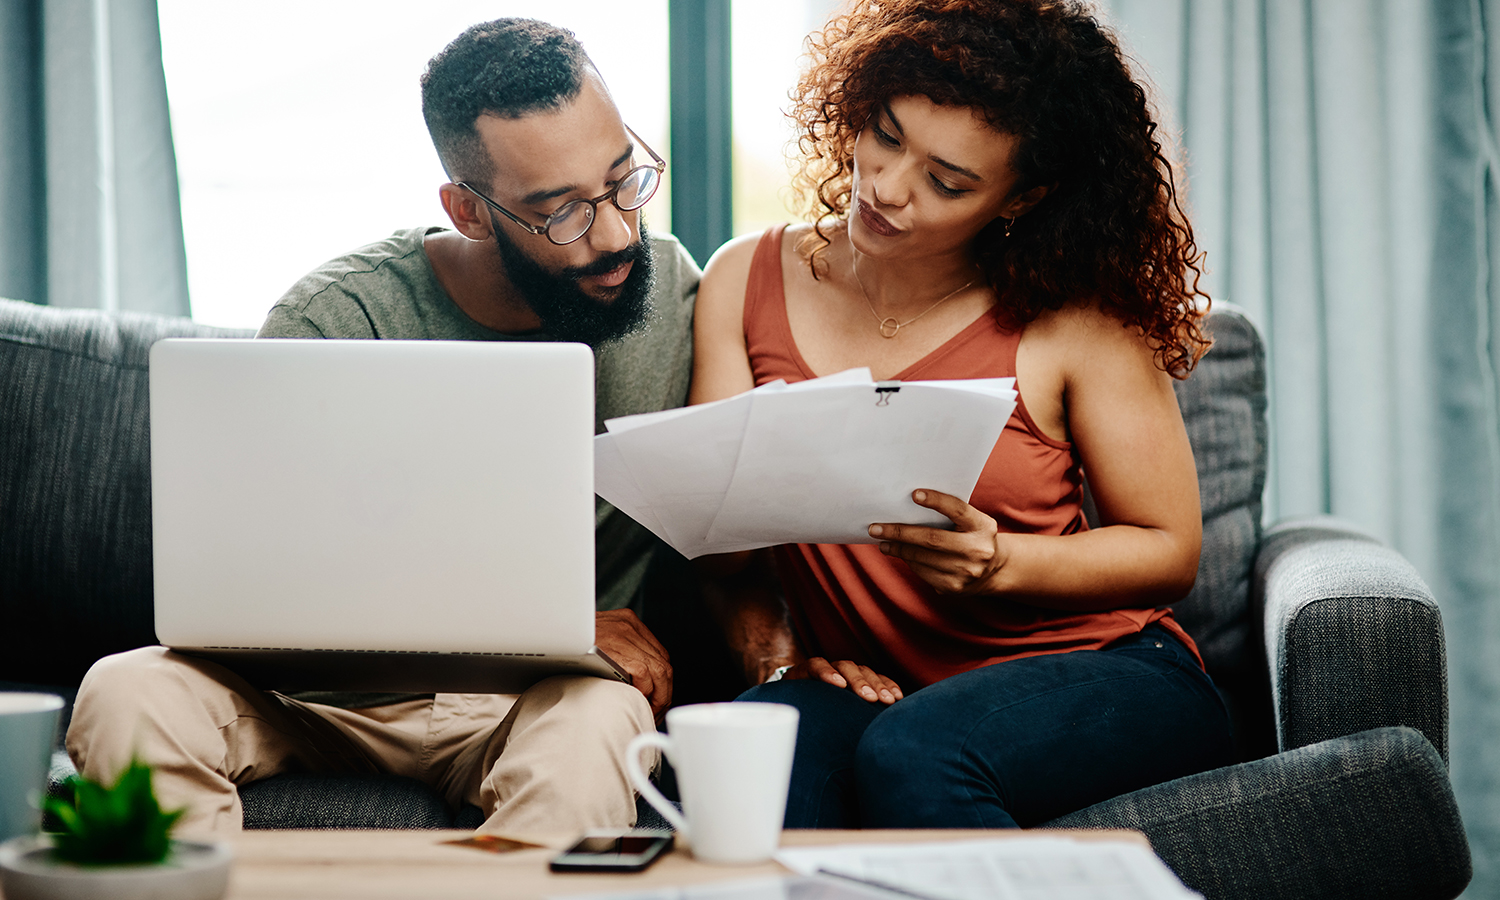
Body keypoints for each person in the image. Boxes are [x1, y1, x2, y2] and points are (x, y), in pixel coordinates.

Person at [66, 18, 698, 836]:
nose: (615, 235)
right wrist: (560, 626)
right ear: (469, 211)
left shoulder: (671, 295)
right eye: (562, 213)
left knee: (598, 731)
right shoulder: (335, 317)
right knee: (125, 690)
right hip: (313, 702)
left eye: (623, 180)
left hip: (537, 705)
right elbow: (251, 571)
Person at [692, 0, 1235, 829]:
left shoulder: (1075, 321)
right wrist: (769, 640)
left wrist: (1001, 562)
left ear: (1021, 199)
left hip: (1108, 671)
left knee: (917, 749)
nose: (885, 188)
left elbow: (1170, 550)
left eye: (947, 182)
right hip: (885, 689)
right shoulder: (744, 277)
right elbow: (723, 547)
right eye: (884, 133)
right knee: (759, 759)